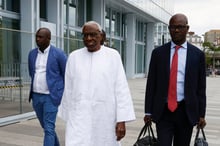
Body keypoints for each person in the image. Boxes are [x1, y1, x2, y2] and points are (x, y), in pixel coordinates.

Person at [58, 21, 136, 146]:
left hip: (105, 116)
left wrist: (121, 120)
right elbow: (69, 89)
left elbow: (121, 89)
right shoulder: (74, 57)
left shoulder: (113, 56)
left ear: (101, 36)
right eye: (85, 35)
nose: (89, 38)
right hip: (79, 116)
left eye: (93, 34)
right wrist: (68, 116)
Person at [143, 13, 207, 146]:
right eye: (172, 27)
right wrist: (148, 111)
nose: (176, 30)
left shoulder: (198, 55)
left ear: (187, 28)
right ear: (169, 29)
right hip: (163, 111)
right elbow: (151, 84)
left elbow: (201, 88)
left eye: (180, 27)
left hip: (186, 111)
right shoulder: (158, 53)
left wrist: (201, 114)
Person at [28, 27, 67, 146]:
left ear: (48, 38)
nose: (37, 39)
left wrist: (61, 92)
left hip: (51, 97)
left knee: (49, 127)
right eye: (37, 36)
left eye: (40, 37)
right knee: (46, 127)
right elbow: (32, 72)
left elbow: (66, 73)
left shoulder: (58, 54)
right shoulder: (32, 54)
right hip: (36, 96)